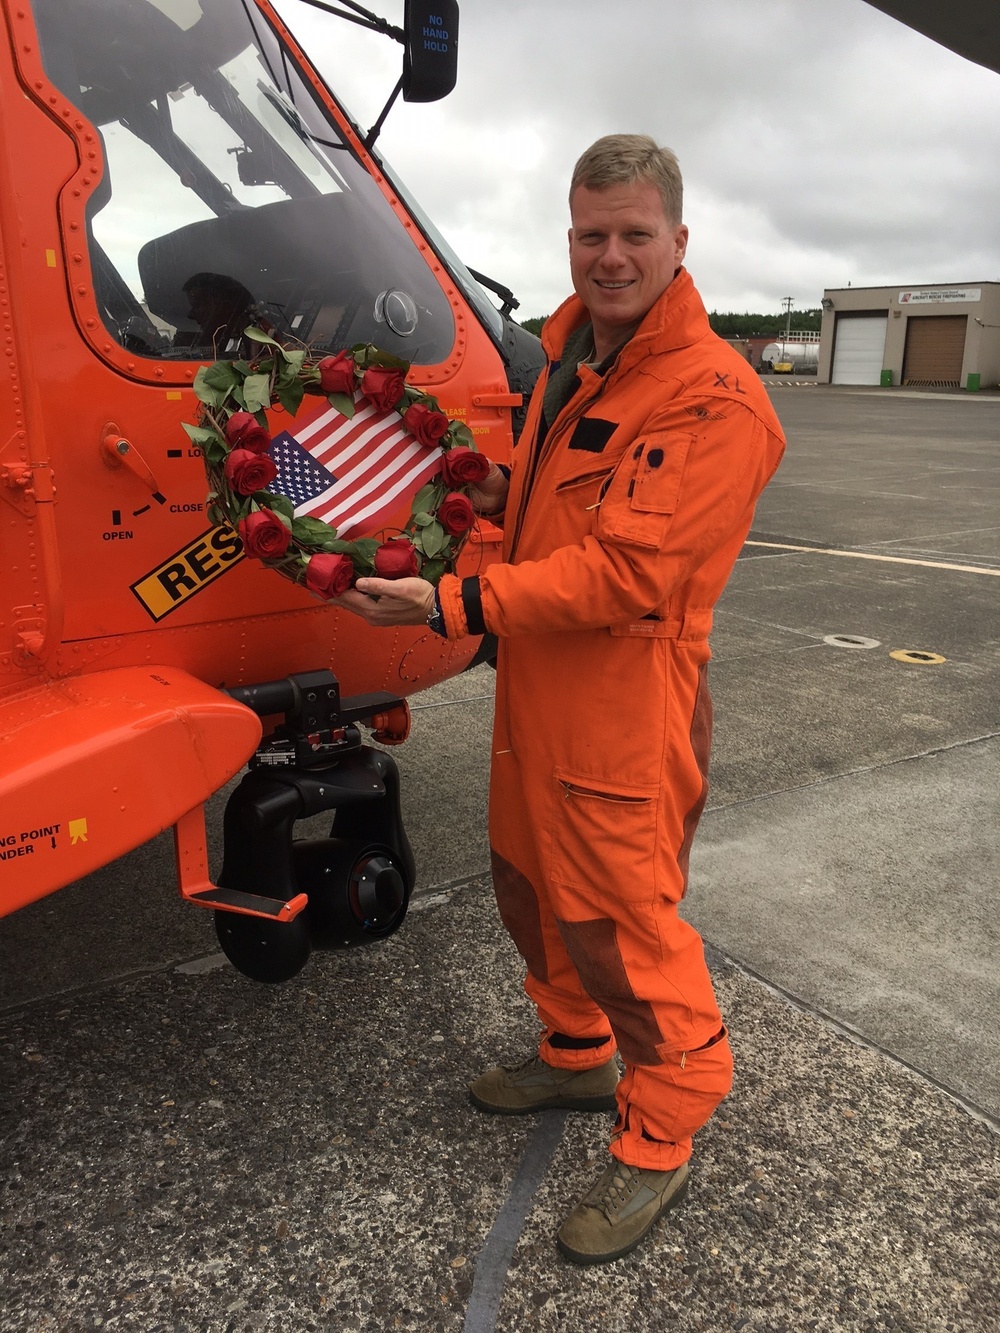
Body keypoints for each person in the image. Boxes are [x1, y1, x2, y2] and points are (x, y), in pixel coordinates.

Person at [334, 134, 786, 1264]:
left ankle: (660, 1137)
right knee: (532, 886)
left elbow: (631, 572)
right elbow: (560, 506)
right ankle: (577, 1054)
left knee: (623, 924)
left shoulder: (712, 399)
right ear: (570, 235)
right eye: (592, 233)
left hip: (624, 702)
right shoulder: (573, 355)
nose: (611, 255)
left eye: (635, 235)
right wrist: (490, 484)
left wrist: (451, 602)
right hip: (538, 686)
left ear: (680, 243)